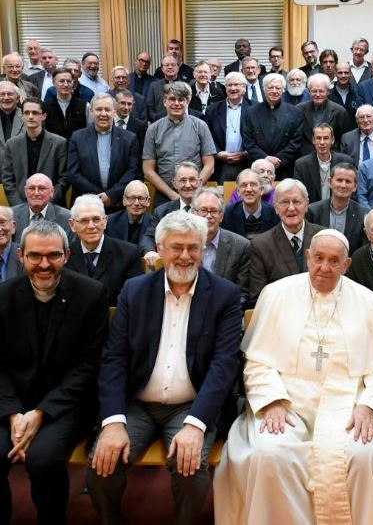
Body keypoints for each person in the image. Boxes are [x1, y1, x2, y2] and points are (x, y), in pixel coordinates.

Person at [215, 229, 373, 524]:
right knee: (269, 453)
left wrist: (368, 405)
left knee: (364, 457)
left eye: (334, 261)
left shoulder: (366, 301)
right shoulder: (275, 294)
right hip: (287, 401)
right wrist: (271, 401)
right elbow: (257, 362)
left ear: (346, 265)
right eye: (318, 259)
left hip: (348, 404)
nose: (324, 268)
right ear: (307, 257)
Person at [88, 210, 242, 525]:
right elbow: (114, 358)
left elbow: (224, 365)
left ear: (203, 249)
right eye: (176, 247)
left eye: (193, 248)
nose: (185, 256)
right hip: (138, 404)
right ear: (160, 249)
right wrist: (113, 423)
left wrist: (196, 424)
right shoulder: (135, 290)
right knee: (101, 463)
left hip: (191, 404)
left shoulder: (224, 295)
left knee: (189, 467)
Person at [0, 220, 109, 525]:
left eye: (53, 256)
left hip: (64, 404)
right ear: (21, 256)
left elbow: (89, 365)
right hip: (10, 403)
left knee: (43, 461)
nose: (44, 264)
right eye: (35, 256)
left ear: (67, 255)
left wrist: (42, 412)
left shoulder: (92, 294)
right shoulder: (2, 295)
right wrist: (13, 414)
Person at [248, 179, 325, 304]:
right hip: (281, 317)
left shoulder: (323, 237)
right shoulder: (261, 245)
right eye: (284, 202)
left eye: (296, 202)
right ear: (276, 208)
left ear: (306, 205)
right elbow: (259, 297)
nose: (291, 208)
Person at [143, 82, 216, 205]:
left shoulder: (200, 126)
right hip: (164, 194)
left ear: (187, 102)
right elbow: (148, 170)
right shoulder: (153, 129)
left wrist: (193, 189)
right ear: (164, 102)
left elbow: (210, 166)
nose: (176, 103)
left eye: (181, 100)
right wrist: (172, 195)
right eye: (172, 99)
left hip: (195, 194)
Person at [66, 93, 141, 211]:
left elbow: (133, 171)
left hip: (118, 205)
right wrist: (101, 197)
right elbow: (73, 173)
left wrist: (112, 195)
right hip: (86, 205)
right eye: (99, 109)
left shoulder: (129, 138)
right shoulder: (77, 137)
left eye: (107, 109)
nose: (103, 114)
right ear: (91, 111)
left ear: (114, 112)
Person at [65, 194, 142, 303]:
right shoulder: (64, 255)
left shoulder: (129, 254)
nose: (91, 226)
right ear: (72, 225)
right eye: (84, 221)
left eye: (96, 219)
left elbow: (134, 298)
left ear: (105, 221)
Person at [1, 98, 68, 205]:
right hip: (21, 205)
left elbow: (64, 179)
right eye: (27, 113)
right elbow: (7, 179)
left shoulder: (59, 143)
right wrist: (19, 205)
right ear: (21, 116)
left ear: (44, 116)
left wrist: (47, 201)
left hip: (52, 205)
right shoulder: (12, 144)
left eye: (35, 113)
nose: (31, 117)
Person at [191, 189, 251, 307]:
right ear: (193, 213)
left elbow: (242, 294)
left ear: (221, 216)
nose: (208, 216)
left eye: (214, 211)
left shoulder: (241, 246)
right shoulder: (182, 245)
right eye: (203, 210)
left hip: (225, 313)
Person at [243, 73, 304, 180]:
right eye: (271, 87)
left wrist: (279, 159)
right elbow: (248, 141)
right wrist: (265, 159)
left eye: (278, 88)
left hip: (285, 167)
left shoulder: (295, 112)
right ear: (264, 89)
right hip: (258, 168)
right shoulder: (251, 112)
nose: (274, 91)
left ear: (283, 90)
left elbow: (296, 141)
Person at [305, 162, 368, 253]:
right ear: (330, 182)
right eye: (339, 180)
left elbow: (363, 250)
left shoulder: (363, 215)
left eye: (348, 181)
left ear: (355, 187)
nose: (343, 185)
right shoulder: (313, 211)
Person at [204, 71, 251, 182]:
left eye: (236, 85)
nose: (233, 88)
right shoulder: (212, 110)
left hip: (246, 162)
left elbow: (258, 135)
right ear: (225, 88)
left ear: (244, 88)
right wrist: (218, 153)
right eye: (229, 85)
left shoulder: (254, 108)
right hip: (220, 163)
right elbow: (207, 136)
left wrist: (246, 152)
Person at [293, 123, 354, 202]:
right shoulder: (301, 165)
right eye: (318, 138)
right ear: (313, 140)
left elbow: (352, 191)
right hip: (312, 211)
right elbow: (298, 194)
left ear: (332, 140)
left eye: (325, 138)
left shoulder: (346, 162)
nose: (322, 142)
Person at [297, 73, 349, 156]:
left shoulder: (339, 111)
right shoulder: (299, 110)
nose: (317, 95)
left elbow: (342, 139)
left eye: (321, 91)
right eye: (314, 91)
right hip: (305, 159)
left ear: (328, 92)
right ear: (309, 92)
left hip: (331, 158)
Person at [221, 168, 279, 239]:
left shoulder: (273, 213)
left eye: (253, 184)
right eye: (244, 185)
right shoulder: (227, 213)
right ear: (238, 191)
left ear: (261, 190)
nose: (248, 189)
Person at [10, 173, 72, 239]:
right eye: (31, 188)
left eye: (41, 188)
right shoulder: (11, 215)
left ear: (52, 192)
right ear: (25, 192)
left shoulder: (66, 217)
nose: (36, 193)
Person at [105, 180, 151, 246]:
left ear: (148, 201)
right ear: (124, 200)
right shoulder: (110, 222)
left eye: (141, 198)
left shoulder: (154, 224)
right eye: (132, 198)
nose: (136, 203)